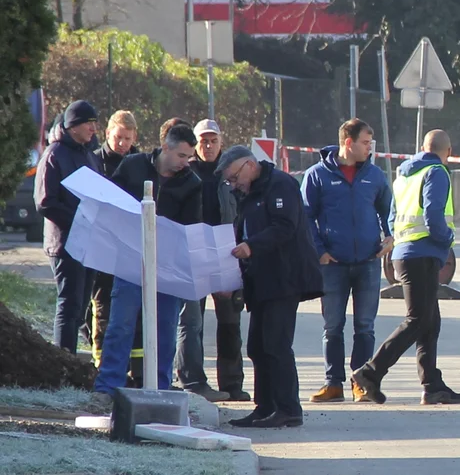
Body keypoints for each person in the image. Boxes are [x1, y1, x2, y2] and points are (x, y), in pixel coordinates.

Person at [351, 129, 460, 405]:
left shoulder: (405, 174)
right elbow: (433, 214)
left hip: (404, 253)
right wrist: (446, 239)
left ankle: (432, 384)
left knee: (429, 320)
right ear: (448, 152)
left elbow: (392, 216)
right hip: (423, 253)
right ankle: (370, 372)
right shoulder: (437, 172)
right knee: (418, 319)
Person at [93, 124, 202, 404]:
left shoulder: (192, 183)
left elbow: (189, 229)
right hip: (130, 260)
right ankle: (107, 387)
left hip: (168, 268)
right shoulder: (132, 166)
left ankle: (161, 389)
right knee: (121, 324)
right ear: (165, 146)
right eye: (181, 155)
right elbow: (109, 203)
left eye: (189, 157)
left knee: (165, 330)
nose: (185, 163)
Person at [216, 146, 323, 428]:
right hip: (261, 280)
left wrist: (251, 247)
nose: (233, 184)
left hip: (284, 278)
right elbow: (244, 231)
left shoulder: (280, 184)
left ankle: (288, 408)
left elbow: (285, 226)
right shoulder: (248, 193)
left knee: (276, 345)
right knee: (258, 347)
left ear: (250, 165)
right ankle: (264, 408)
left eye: (234, 176)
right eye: (229, 180)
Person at [301, 118, 392, 403]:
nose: (369, 149)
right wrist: (318, 250)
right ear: (348, 143)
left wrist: (389, 236)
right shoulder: (317, 175)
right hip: (333, 264)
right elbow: (305, 216)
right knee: (333, 326)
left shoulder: (375, 176)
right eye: (365, 143)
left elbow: (388, 211)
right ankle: (333, 383)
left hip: (367, 261)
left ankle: (360, 381)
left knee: (365, 326)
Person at [176, 118, 250, 402]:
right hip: (192, 253)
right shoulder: (184, 171)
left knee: (230, 321)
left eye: (213, 140)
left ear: (221, 142)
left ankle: (232, 383)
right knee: (191, 322)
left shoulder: (230, 174)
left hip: (226, 253)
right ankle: (193, 381)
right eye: (203, 140)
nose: (208, 145)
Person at [34, 100, 101, 354]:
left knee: (81, 306)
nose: (94, 129)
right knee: (69, 305)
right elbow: (44, 202)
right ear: (73, 125)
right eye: (89, 123)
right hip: (64, 244)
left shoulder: (88, 155)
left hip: (88, 243)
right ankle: (64, 361)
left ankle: (71, 360)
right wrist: (79, 220)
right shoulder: (54, 154)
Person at [86, 110, 142, 384]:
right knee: (103, 306)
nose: (122, 143)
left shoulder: (139, 162)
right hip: (103, 244)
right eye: (118, 137)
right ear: (107, 133)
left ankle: (137, 370)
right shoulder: (95, 161)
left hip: (131, 245)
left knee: (135, 310)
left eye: (127, 139)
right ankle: (101, 364)